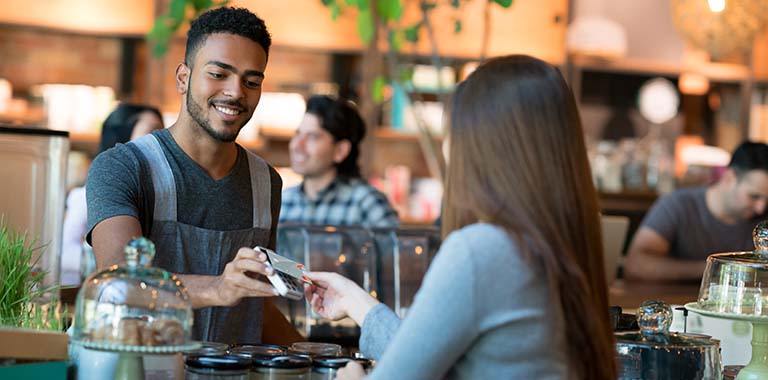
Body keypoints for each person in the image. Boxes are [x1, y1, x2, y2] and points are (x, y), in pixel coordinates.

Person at [303, 55, 617, 380]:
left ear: (476, 144)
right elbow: (422, 355)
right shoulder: (566, 239)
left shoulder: (482, 249)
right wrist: (355, 300)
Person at [86, 7, 283, 344]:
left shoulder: (266, 182)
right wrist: (219, 287)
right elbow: (117, 283)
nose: (236, 92)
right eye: (219, 74)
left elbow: (256, 306)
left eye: (251, 82)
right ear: (183, 78)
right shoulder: (122, 167)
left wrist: (325, 358)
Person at [625, 141, 768, 282]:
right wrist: (716, 268)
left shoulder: (764, 218)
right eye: (754, 196)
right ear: (729, 178)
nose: (761, 207)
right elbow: (636, 265)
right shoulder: (677, 205)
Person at [61, 103, 164, 285]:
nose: (159, 140)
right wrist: (108, 258)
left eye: (162, 131)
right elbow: (64, 252)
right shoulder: (86, 195)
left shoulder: (160, 193)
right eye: (152, 131)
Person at [279, 95, 399, 227]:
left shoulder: (367, 204)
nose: (297, 145)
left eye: (312, 137)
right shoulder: (284, 201)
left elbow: (397, 247)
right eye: (298, 134)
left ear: (340, 150)